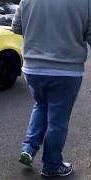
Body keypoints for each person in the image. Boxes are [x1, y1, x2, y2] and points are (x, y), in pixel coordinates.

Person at [12, 0, 91, 177]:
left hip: (33, 68)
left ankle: (29, 148)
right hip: (66, 70)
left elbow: (16, 27)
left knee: (41, 105)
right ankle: (52, 165)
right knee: (58, 120)